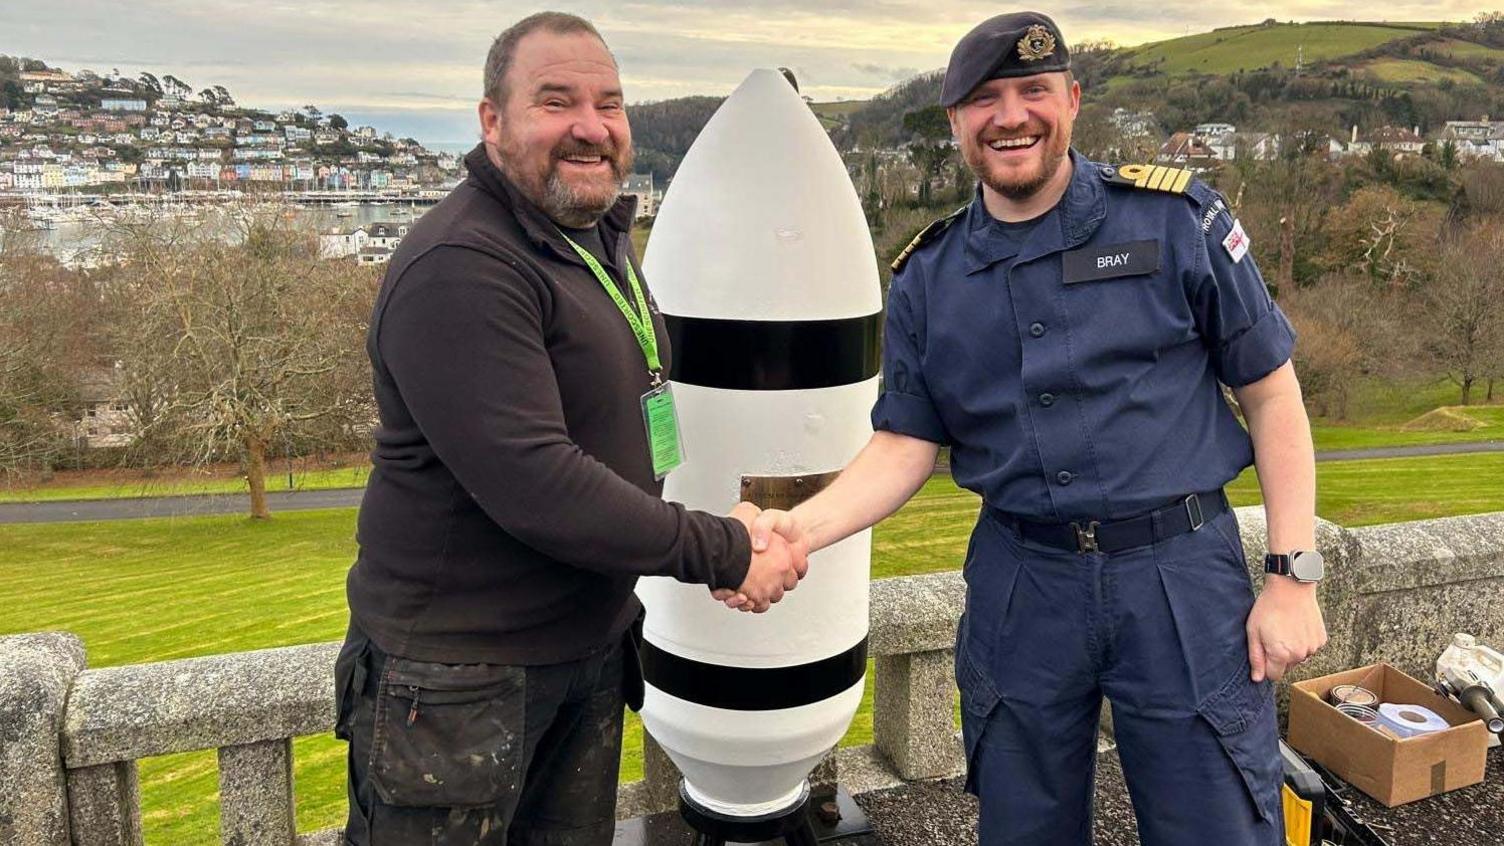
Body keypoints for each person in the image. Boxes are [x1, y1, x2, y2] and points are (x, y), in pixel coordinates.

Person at [740, 12, 1326, 845]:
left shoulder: (1173, 223)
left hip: (1179, 578)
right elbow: (905, 445)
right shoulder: (928, 279)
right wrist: (794, 529)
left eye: (1032, 92)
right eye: (983, 100)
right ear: (955, 122)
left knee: (1216, 822)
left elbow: (1273, 395)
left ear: (1073, 100)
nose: (1010, 116)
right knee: (1023, 827)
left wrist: (1292, 576)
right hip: (1023, 582)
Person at [334, 12, 804, 845]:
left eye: (610, 105)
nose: (590, 127)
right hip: (458, 685)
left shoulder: (589, 238)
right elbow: (536, 480)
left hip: (582, 652)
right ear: (492, 120)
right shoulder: (464, 264)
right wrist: (727, 550)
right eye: (556, 102)